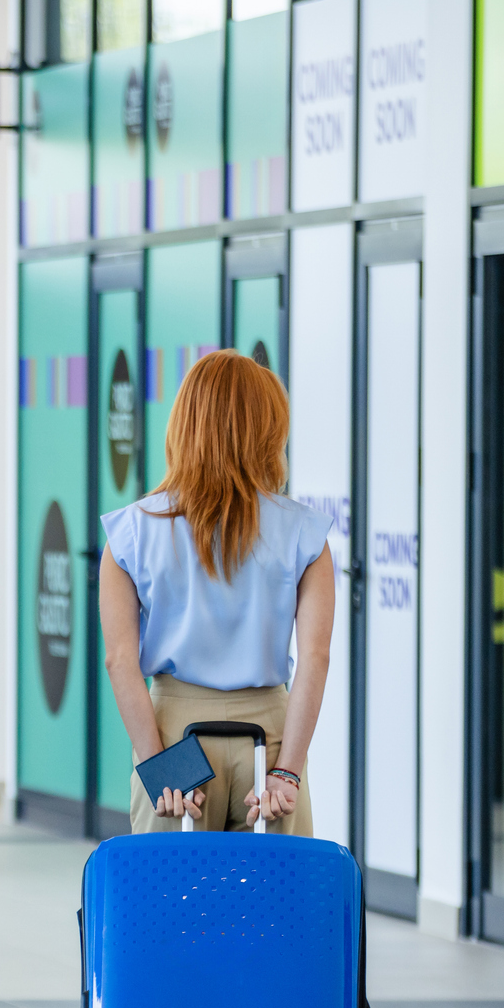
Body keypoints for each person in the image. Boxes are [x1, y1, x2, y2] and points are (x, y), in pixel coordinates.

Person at [99, 349, 334, 835]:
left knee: (172, 903)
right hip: (269, 736)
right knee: (273, 905)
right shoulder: (303, 534)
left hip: (174, 734)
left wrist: (162, 771)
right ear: (267, 429)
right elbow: (315, 659)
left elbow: (120, 662)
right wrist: (286, 771)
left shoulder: (132, 533)